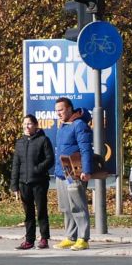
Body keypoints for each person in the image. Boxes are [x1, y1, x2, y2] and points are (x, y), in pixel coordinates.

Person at [52, 97, 93, 251]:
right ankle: (71, 237)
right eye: (56, 111)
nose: (58, 113)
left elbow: (85, 149)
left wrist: (86, 171)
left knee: (78, 206)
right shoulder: (62, 126)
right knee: (66, 207)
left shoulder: (79, 125)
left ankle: (83, 238)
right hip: (62, 173)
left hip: (75, 173)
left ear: (69, 109)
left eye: (61, 110)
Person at [10, 114, 55, 250]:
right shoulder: (20, 142)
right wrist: (14, 185)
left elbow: (50, 159)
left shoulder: (43, 140)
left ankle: (44, 238)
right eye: (24, 124)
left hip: (39, 182)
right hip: (24, 183)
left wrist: (37, 169)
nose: (27, 126)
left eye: (29, 124)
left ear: (35, 125)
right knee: (28, 213)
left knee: (41, 211)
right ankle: (29, 240)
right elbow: (16, 165)